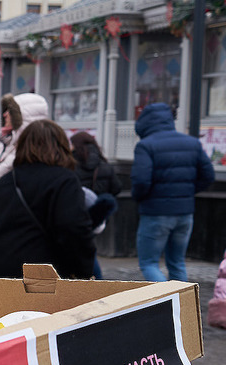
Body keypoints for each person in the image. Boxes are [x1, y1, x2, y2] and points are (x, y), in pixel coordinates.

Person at [0, 119, 95, 279]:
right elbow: (74, 229)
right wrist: (84, 272)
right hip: (41, 276)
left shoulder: (5, 181)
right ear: (60, 146)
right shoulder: (64, 180)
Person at [131, 102, 215, 282]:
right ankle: (184, 307)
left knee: (148, 263)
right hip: (185, 212)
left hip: (155, 212)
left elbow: (141, 181)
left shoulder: (145, 146)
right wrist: (188, 192)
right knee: (177, 262)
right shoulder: (192, 143)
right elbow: (208, 175)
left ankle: (165, 304)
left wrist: (139, 198)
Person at [70, 131, 121, 279]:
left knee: (84, 248)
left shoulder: (71, 164)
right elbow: (116, 188)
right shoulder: (103, 164)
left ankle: (94, 280)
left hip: (78, 212)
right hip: (99, 213)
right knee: (88, 247)